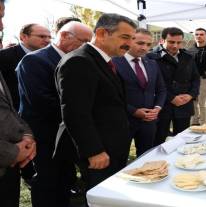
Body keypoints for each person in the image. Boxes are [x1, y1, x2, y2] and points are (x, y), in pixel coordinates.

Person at [54, 13, 137, 190]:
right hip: (99, 152)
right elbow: (76, 113)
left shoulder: (103, 60)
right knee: (101, 195)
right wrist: (94, 151)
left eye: (132, 38)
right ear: (101, 33)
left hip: (112, 146)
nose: (129, 44)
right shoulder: (79, 61)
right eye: (125, 37)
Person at [16, 21, 92, 207]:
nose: (86, 46)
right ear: (65, 36)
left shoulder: (78, 60)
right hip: (45, 135)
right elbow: (42, 101)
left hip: (67, 133)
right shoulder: (34, 60)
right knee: (47, 181)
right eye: (83, 41)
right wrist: (81, 114)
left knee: (65, 177)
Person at [0, 1, 37, 207]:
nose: (2, 26)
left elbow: (8, 105)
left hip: (11, 167)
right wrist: (13, 152)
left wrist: (27, 135)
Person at [112, 28, 166, 157]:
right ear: (130, 41)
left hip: (149, 121)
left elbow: (161, 89)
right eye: (140, 43)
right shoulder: (114, 62)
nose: (145, 48)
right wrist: (133, 111)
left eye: (148, 45)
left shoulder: (152, 63)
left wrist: (157, 108)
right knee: (119, 158)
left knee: (146, 157)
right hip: (123, 121)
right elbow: (112, 95)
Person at [148, 27, 200, 146]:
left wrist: (191, 95)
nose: (175, 46)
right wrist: (171, 98)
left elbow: (195, 78)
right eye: (171, 42)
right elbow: (153, 83)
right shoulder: (152, 57)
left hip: (184, 104)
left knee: (182, 139)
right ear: (162, 40)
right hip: (162, 105)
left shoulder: (188, 57)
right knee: (159, 139)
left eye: (179, 42)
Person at [0, 23, 51, 110]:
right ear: (23, 37)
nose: (47, 40)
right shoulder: (4, 57)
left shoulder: (50, 57)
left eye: (49, 37)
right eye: (42, 36)